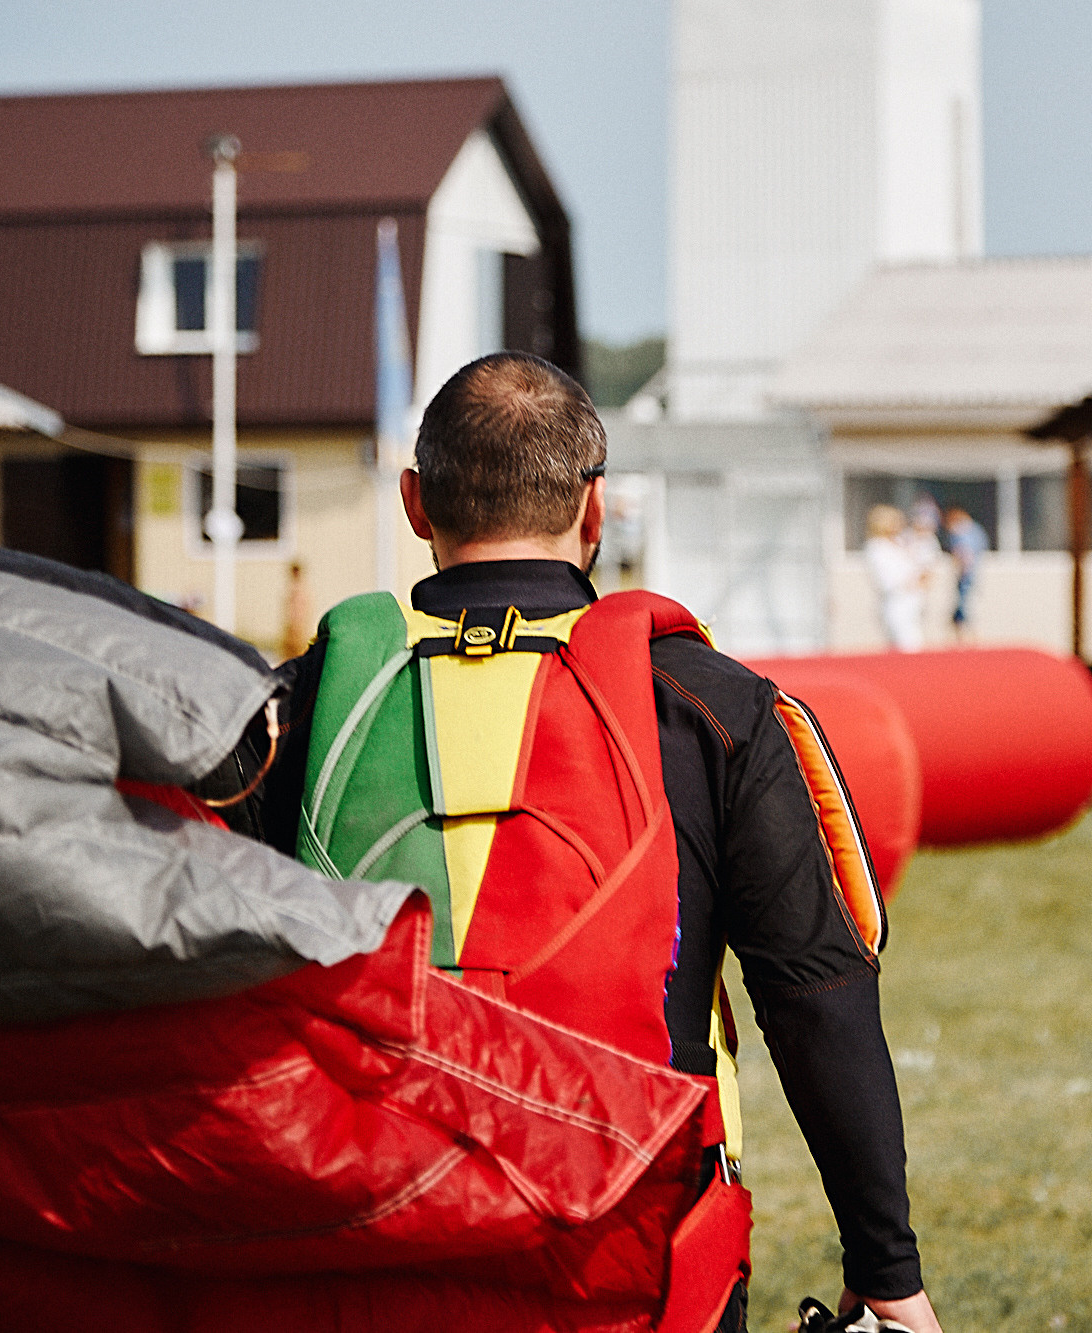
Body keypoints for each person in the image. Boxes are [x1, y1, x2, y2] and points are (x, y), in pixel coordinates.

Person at [263, 353, 943, 1333]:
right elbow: (815, 995)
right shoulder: (713, 707)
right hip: (634, 1252)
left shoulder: (307, 700)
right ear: (595, 510)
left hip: (361, 1244)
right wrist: (885, 1268)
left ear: (415, 502)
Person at [865, 503, 926, 651]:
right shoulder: (877, 547)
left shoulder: (899, 543)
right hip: (897, 605)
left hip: (913, 603)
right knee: (909, 649)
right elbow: (887, 581)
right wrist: (911, 581)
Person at [941, 505, 989, 640]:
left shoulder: (962, 531)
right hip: (973, 576)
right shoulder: (976, 530)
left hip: (966, 578)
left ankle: (970, 642)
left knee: (965, 611)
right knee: (961, 613)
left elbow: (964, 555)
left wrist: (962, 572)